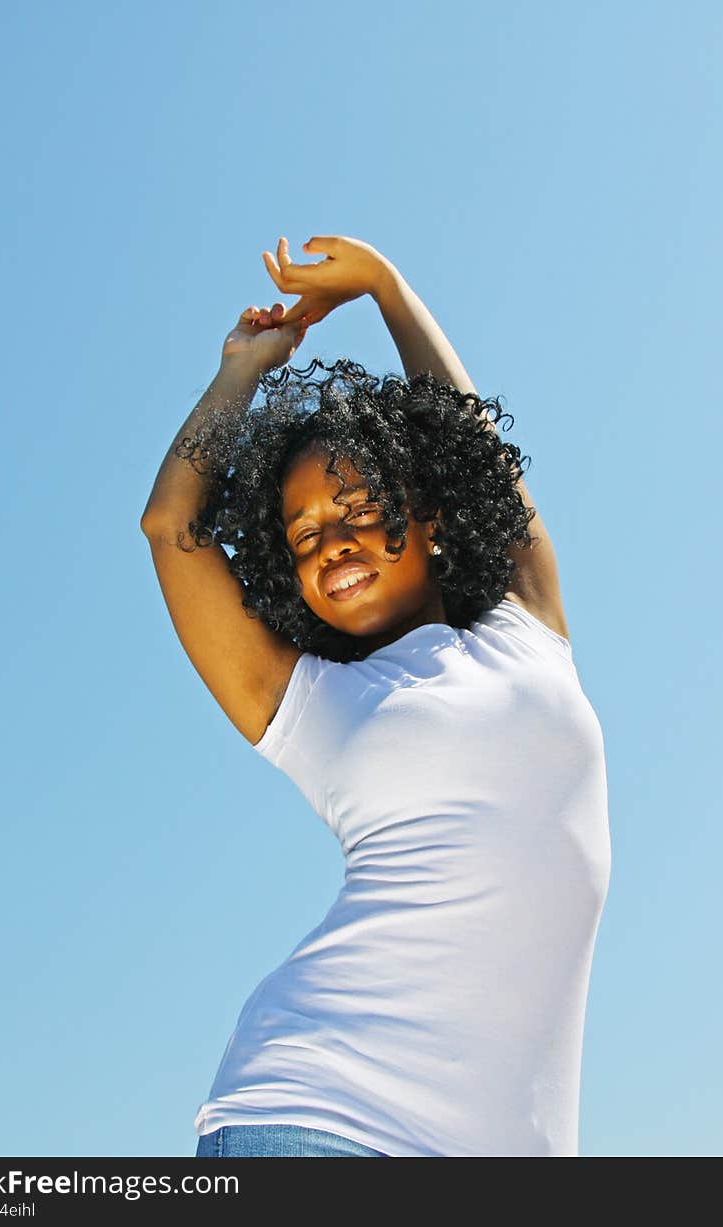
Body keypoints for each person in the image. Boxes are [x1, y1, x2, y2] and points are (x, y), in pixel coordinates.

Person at [140, 235, 612, 1158]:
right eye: (304, 534)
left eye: (358, 509)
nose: (332, 543)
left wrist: (389, 287)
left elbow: (474, 442)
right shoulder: (313, 705)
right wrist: (242, 371)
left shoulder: (528, 625)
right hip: (322, 1121)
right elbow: (171, 526)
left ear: (433, 521)